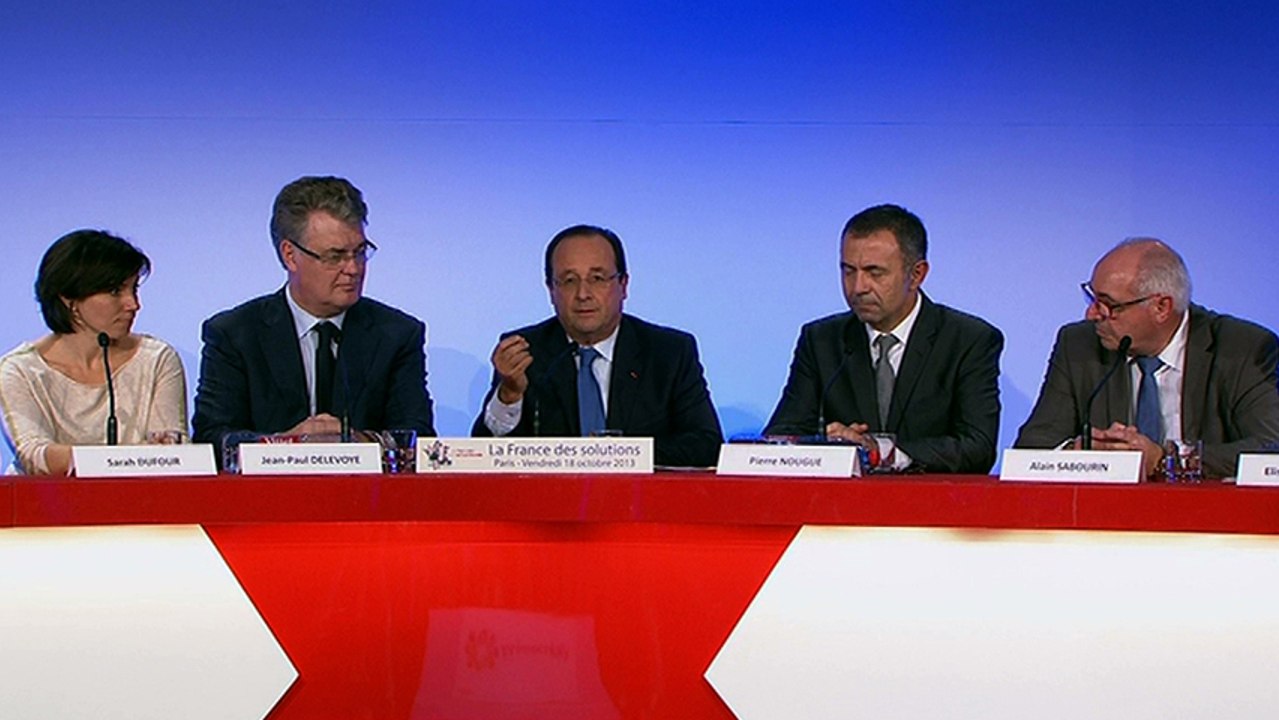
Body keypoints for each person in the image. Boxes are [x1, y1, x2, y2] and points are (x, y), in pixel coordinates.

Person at [192, 176, 435, 459]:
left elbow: (418, 438)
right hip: (267, 497)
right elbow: (212, 439)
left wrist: (355, 442)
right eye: (335, 256)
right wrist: (285, 446)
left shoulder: (396, 334)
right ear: (290, 255)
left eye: (359, 252)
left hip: (367, 498)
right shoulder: (235, 334)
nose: (353, 269)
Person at [765, 204, 1003, 474]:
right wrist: (828, 446)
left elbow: (978, 447)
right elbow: (781, 436)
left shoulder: (968, 340)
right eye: (848, 271)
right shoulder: (821, 340)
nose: (858, 287)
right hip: (840, 509)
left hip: (931, 507)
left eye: (874, 272)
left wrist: (884, 453)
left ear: (916, 275)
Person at [1015, 238, 1279, 478]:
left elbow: (1271, 448)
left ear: (1161, 307)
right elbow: (1032, 446)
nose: (1092, 314)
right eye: (1092, 297)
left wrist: (1168, 459)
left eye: (1108, 305)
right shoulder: (1079, 344)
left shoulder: (1242, 348)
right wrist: (1075, 453)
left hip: (1212, 519)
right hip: (1108, 518)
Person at [471, 224, 723, 467]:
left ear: (623, 285)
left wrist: (616, 454)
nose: (583, 294)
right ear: (550, 289)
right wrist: (509, 395)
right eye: (569, 281)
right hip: (550, 507)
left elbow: (706, 446)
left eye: (598, 278)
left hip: (639, 505)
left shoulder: (669, 353)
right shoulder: (525, 352)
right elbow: (483, 455)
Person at [0, 230, 187, 475]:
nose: (133, 304)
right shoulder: (19, 370)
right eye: (115, 291)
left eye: (134, 289)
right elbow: (34, 457)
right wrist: (126, 458)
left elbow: (171, 454)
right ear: (69, 298)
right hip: (49, 508)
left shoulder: (156, 359)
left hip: (142, 505)